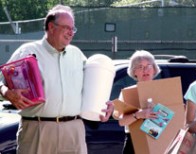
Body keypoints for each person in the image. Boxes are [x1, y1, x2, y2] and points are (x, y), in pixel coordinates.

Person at [0, 4, 113, 154]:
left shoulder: (77, 54)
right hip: (38, 130)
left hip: (73, 131)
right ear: (51, 27)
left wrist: (107, 106)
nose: (71, 33)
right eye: (67, 28)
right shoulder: (27, 52)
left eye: (73, 29)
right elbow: (2, 81)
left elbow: (95, 86)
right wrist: (7, 92)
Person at [113, 50, 161, 154]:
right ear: (134, 72)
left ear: (154, 69)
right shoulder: (128, 93)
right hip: (134, 143)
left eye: (149, 66)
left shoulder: (163, 91)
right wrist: (139, 114)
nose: (145, 70)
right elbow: (121, 122)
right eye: (140, 67)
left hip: (159, 143)